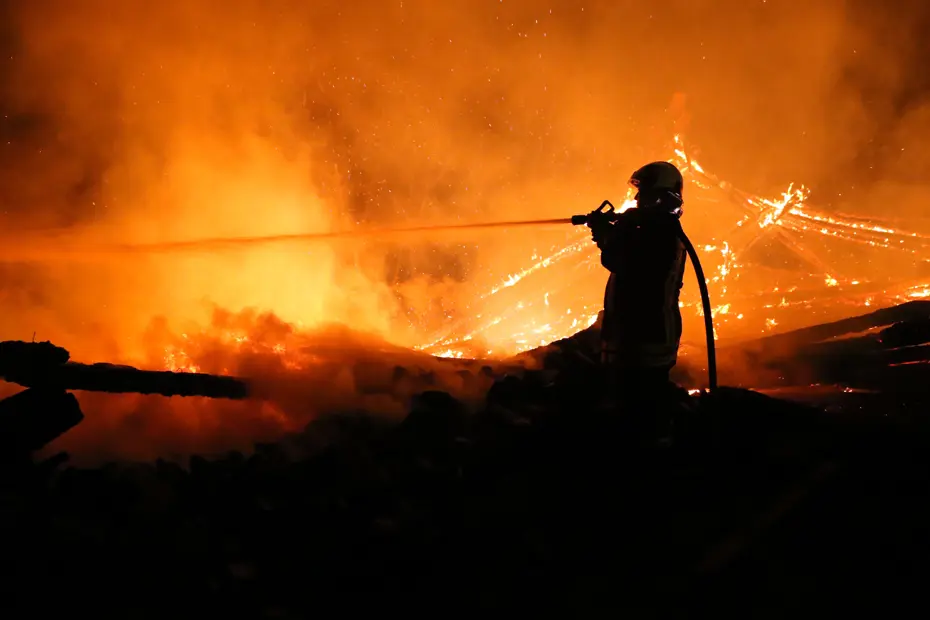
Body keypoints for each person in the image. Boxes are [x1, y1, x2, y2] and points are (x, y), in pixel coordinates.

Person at [586, 161, 688, 415]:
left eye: (643, 193)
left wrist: (604, 234)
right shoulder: (659, 230)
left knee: (639, 411)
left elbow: (623, 263)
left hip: (646, 339)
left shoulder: (660, 235)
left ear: (658, 196)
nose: (637, 198)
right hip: (642, 337)